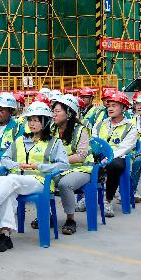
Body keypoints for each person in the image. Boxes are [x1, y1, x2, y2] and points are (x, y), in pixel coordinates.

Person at [0, 101, 69, 252]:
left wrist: (39, 166)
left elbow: (64, 165)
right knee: (8, 192)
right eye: (30, 120)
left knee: (7, 180)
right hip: (16, 181)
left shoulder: (54, 142)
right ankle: (5, 236)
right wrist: (17, 165)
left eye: (36, 120)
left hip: (40, 182)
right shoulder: (20, 140)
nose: (31, 123)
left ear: (45, 122)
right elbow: (5, 159)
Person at [47, 94, 91, 235]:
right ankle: (47, 215)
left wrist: (61, 160)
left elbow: (81, 155)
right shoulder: (51, 128)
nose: (54, 114)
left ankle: (70, 219)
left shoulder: (81, 130)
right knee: (42, 180)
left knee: (65, 184)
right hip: (59, 167)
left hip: (80, 168)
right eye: (53, 111)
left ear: (69, 113)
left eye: (57, 111)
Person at [90, 91, 137, 217]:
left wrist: (109, 158)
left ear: (124, 109)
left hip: (118, 157)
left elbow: (125, 147)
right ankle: (86, 196)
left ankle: (108, 200)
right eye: (109, 105)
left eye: (114, 106)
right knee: (87, 163)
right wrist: (99, 156)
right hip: (99, 156)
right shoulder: (100, 124)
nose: (110, 108)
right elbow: (94, 142)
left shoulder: (131, 127)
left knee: (115, 166)